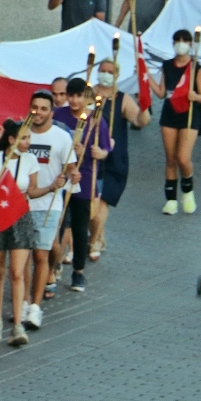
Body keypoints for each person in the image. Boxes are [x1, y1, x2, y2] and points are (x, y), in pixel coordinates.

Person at [0, 121, 42, 347]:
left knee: (17, 272)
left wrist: (52, 186)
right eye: (23, 138)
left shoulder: (30, 160)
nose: (27, 143)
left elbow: (32, 191)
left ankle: (18, 324)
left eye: (29, 139)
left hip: (20, 217)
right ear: (11, 140)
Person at [87, 57, 152, 261]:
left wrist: (144, 108)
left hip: (114, 158)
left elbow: (139, 121)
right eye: (102, 70)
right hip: (91, 156)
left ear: (116, 75)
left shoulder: (122, 98)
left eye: (109, 71)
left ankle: (95, 241)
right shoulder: (89, 94)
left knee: (103, 201)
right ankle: (98, 234)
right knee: (91, 204)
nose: (104, 74)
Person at [22, 91, 76, 330]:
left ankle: (35, 306)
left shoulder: (62, 138)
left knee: (40, 255)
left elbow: (71, 167)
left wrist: (74, 175)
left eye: (44, 108)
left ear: (51, 113)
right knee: (22, 258)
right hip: (21, 204)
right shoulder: (21, 133)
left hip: (49, 204)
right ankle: (22, 302)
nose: (38, 112)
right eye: (35, 107)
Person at [55, 78, 111, 293]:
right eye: (71, 95)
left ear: (86, 98)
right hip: (61, 177)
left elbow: (105, 148)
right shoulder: (59, 116)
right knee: (59, 225)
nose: (74, 100)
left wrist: (99, 153)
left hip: (85, 177)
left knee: (79, 227)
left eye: (78, 96)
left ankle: (78, 271)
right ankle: (54, 266)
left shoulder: (96, 121)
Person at [150, 29, 201, 215]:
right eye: (177, 40)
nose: (180, 43)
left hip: (190, 113)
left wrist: (194, 96)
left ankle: (188, 190)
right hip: (170, 113)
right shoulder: (167, 65)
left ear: (191, 44)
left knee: (183, 157)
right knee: (170, 159)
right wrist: (145, 76)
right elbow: (161, 92)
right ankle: (171, 200)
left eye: (184, 40)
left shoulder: (196, 67)